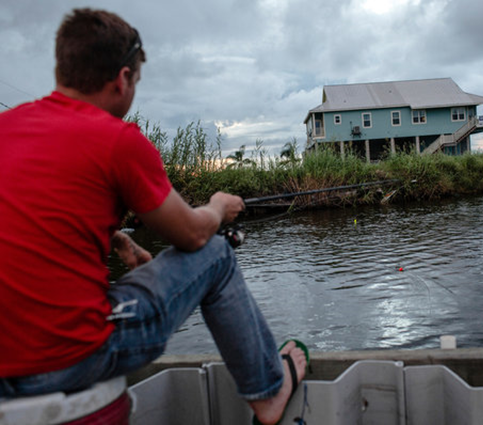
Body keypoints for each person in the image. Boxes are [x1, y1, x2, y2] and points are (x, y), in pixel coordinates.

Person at [0, 8, 305, 424]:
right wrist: (218, 206)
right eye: (136, 83)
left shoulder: (7, 127)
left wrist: (116, 238)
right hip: (72, 359)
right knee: (216, 252)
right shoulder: (117, 139)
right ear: (123, 79)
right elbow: (193, 236)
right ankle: (269, 390)